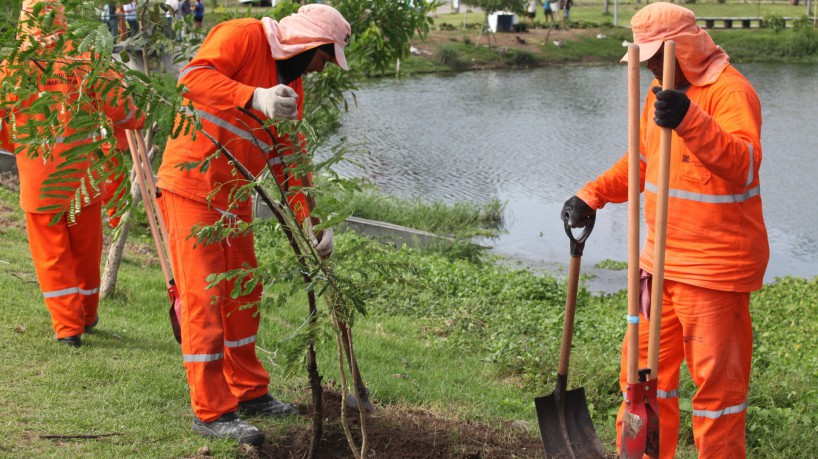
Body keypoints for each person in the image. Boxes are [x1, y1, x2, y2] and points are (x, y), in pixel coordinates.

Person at [560, 3, 768, 458]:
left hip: (714, 273)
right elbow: (640, 160)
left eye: (658, 56)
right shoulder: (661, 90)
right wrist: (591, 195)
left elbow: (744, 165)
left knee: (718, 400)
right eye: (647, 57)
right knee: (642, 380)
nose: (653, 65)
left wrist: (690, 120)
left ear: (686, 48)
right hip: (660, 266)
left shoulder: (730, 92)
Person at [155, 4, 350, 445]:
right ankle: (210, 412)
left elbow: (289, 158)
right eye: (325, 57)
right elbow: (193, 78)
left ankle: (249, 392)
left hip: (234, 198)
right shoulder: (244, 34)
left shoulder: (291, 83)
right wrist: (253, 95)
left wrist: (311, 222)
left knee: (244, 293)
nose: (322, 68)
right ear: (310, 45)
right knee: (204, 300)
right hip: (191, 189)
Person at [7, 0, 143, 347]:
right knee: (86, 250)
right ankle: (87, 314)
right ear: (61, 16)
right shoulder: (85, 58)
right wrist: (134, 120)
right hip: (83, 174)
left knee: (52, 255)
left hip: (39, 179)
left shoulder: (12, 67)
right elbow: (125, 107)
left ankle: (68, 329)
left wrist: (17, 145)